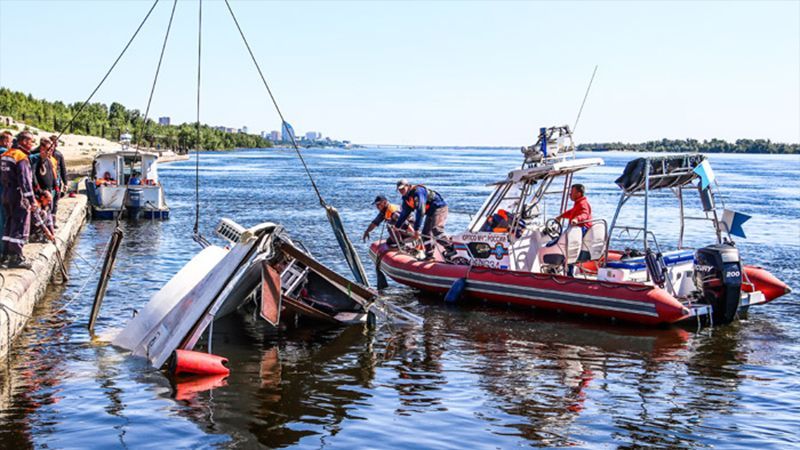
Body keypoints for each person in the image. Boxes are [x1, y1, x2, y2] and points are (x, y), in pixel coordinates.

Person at [1, 131, 37, 269]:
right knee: (20, 223)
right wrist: (31, 200)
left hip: (5, 192)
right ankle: (16, 257)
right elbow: (25, 181)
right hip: (17, 194)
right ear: (24, 141)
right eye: (31, 142)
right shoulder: (21, 157)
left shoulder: (6, 155)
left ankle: (5, 254)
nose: (32, 145)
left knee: (9, 223)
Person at [395, 179, 450, 260]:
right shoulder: (406, 199)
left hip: (439, 208)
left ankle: (450, 248)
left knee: (436, 229)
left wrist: (416, 229)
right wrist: (397, 226)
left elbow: (421, 211)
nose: (401, 191)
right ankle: (429, 255)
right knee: (425, 234)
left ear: (408, 186)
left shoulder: (418, 192)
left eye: (402, 189)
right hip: (430, 212)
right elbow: (404, 214)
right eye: (399, 190)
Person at [0, 131, 12, 256]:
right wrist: (38, 156)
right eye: (10, 142)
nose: (11, 144)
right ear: (4, 142)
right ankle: (2, 252)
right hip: (3, 191)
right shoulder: (3, 152)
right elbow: (16, 157)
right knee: (3, 221)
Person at [49, 135, 67, 218]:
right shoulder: (39, 153)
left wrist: (65, 183)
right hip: (48, 180)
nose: (55, 144)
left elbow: (63, 169)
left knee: (56, 200)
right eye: (54, 142)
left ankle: (53, 219)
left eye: (56, 142)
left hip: (57, 180)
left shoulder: (59, 154)